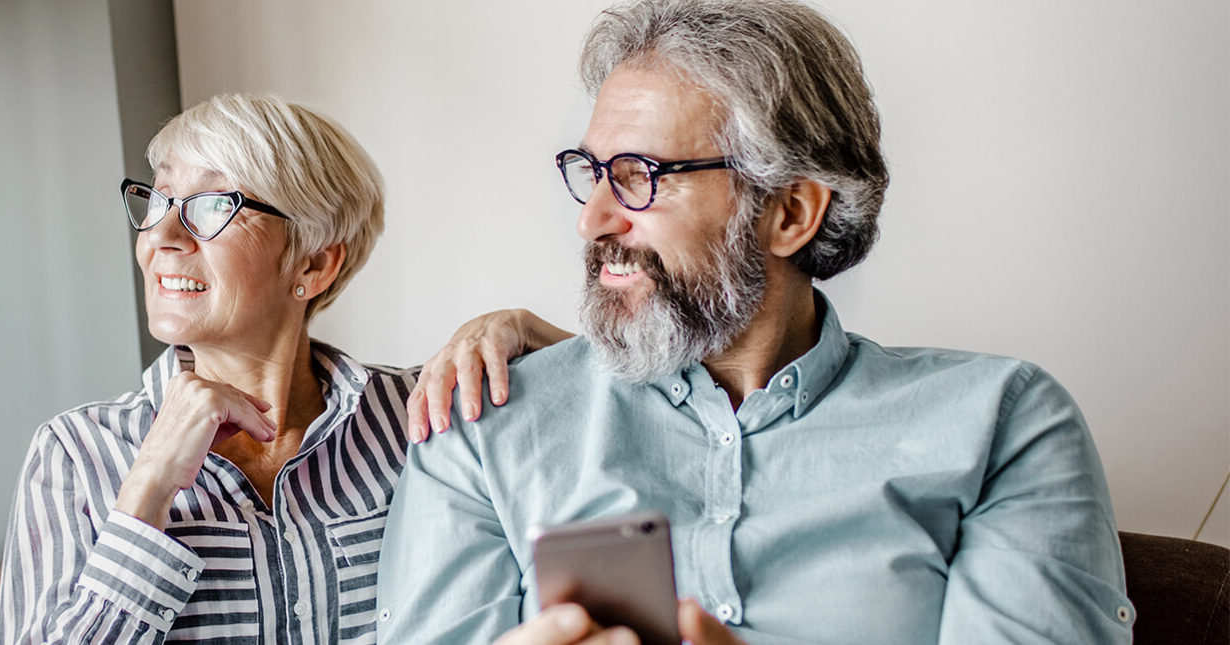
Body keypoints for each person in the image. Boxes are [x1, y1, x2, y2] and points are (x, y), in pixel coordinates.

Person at [371, 1, 1133, 643]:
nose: (592, 219)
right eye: (593, 172)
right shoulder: (479, 428)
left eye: (640, 177)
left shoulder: (1002, 424)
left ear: (791, 211)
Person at [0, 94, 571, 644]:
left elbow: (640, 410)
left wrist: (528, 333)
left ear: (315, 264)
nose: (161, 238)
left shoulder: (426, 412)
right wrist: (149, 486)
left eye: (213, 205)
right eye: (160, 200)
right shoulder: (76, 453)